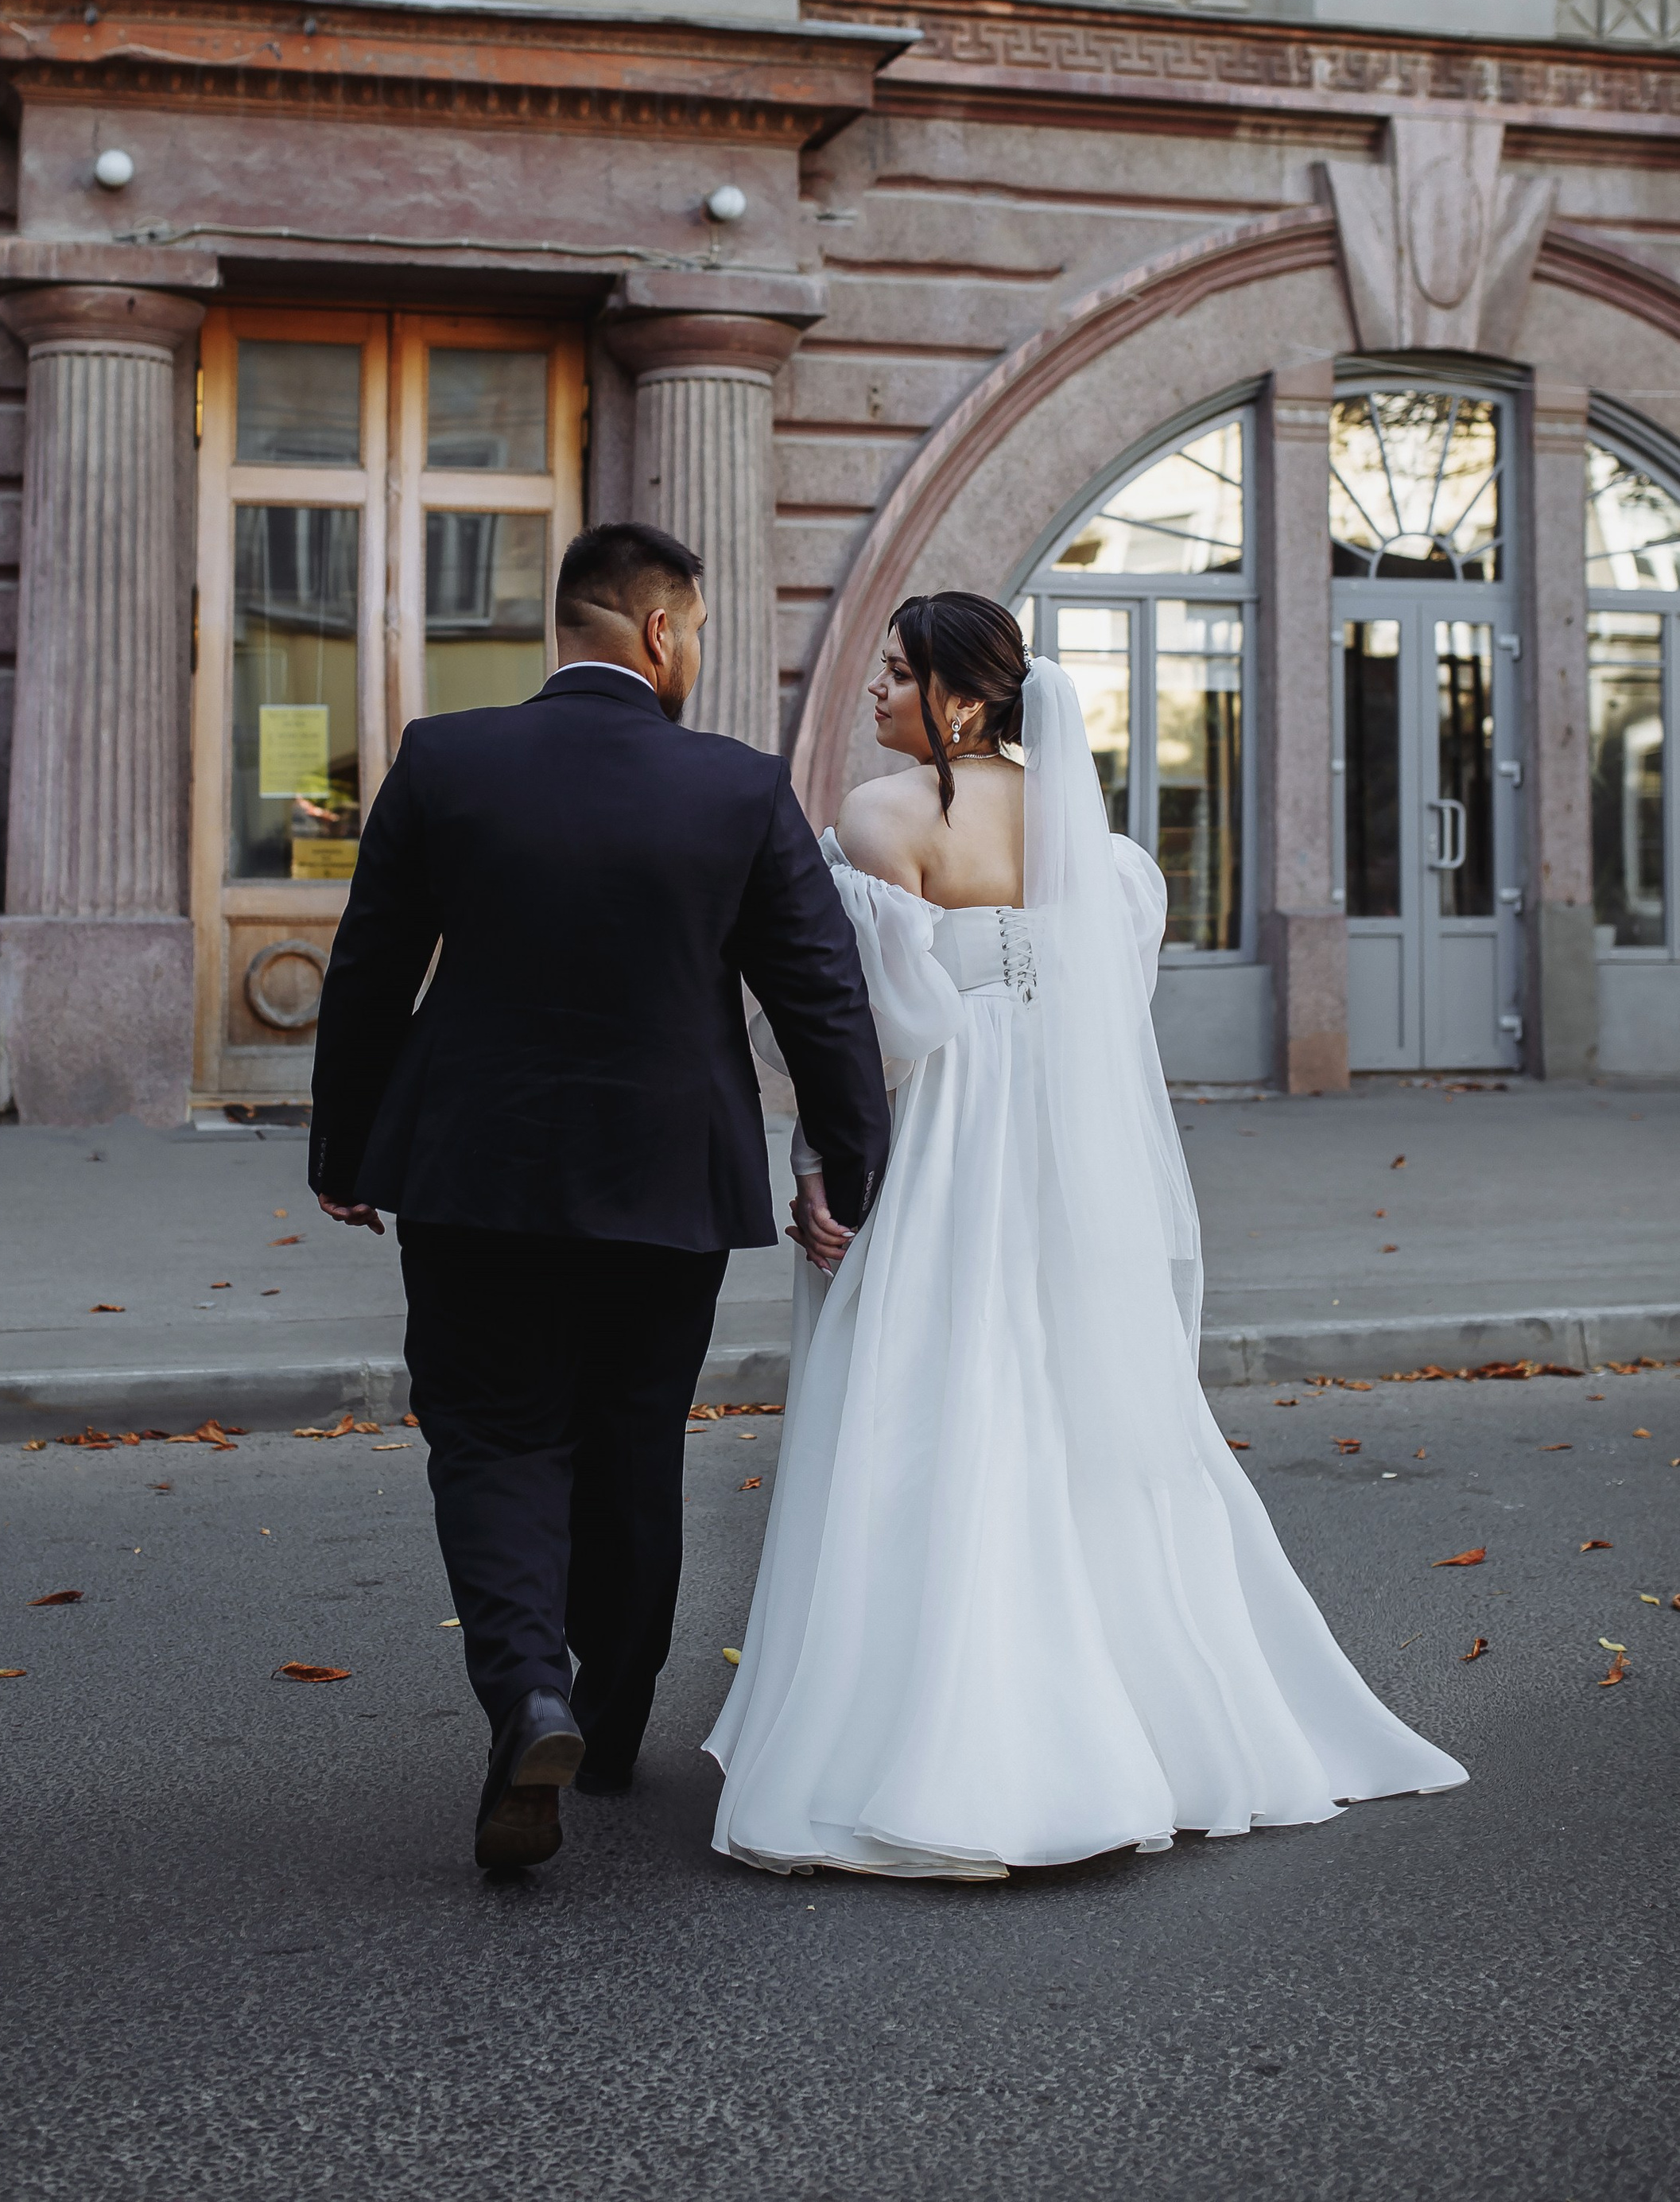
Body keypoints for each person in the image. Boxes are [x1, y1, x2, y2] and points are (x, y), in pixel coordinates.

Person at [709, 592, 1467, 1878]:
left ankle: (930, 1738)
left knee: (930, 1401)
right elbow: (1109, 1013)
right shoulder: (1094, 841)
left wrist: (820, 1162)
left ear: (960, 699)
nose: (877, 697)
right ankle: (1146, 1720)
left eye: (896, 677)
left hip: (949, 1144)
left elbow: (865, 1036)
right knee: (1065, 1401)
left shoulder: (882, 820)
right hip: (1060, 1153)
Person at [308, 522, 890, 1873]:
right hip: (664, 1183)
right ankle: (611, 1726)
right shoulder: (737, 792)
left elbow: (368, 968)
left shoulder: (446, 759)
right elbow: (822, 1001)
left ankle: (528, 1693)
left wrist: (344, 1150)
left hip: (473, 1173)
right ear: (664, 632)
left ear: (565, 628)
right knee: (632, 1442)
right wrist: (847, 1169)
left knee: (496, 1437)